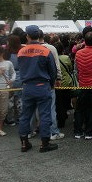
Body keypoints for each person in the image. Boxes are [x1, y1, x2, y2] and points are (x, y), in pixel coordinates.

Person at [17, 25, 58, 153]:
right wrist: (51, 84)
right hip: (42, 85)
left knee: (25, 115)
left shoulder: (21, 51)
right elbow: (53, 71)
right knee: (45, 114)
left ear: (27, 36)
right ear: (40, 35)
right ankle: (44, 143)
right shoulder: (45, 51)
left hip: (27, 87)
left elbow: (21, 69)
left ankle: (24, 142)